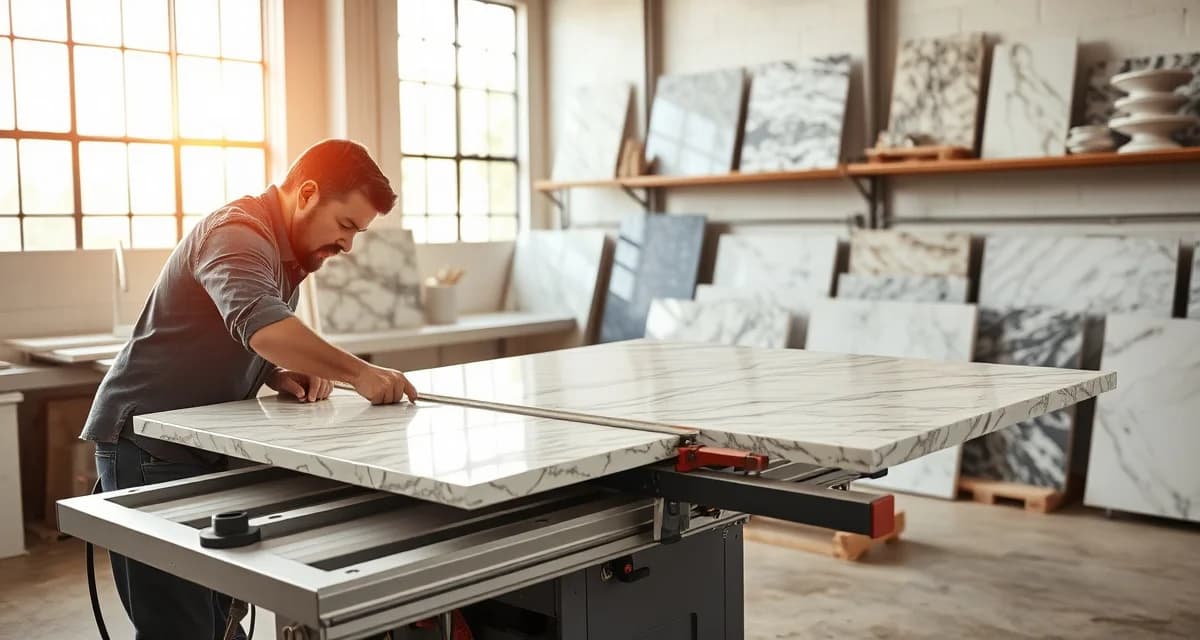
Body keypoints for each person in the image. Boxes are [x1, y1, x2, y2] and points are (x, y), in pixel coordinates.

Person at [80, 139, 418, 639]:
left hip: (195, 442)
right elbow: (260, 324)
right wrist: (360, 373)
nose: (349, 245)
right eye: (346, 225)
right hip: (146, 443)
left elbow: (233, 333)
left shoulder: (287, 255)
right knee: (181, 627)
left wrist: (272, 371)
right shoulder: (239, 232)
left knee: (221, 617)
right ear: (306, 193)